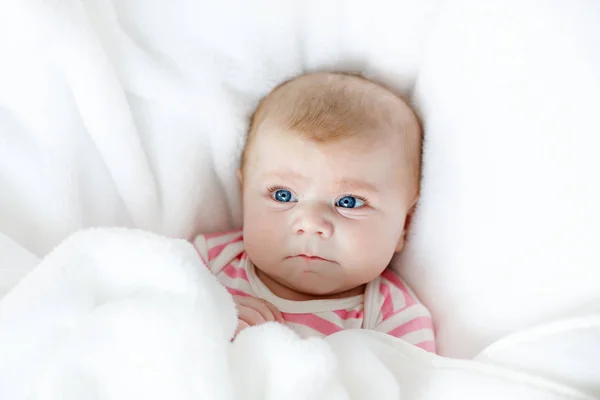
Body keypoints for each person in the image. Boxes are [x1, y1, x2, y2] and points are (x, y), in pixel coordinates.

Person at [193, 72, 435, 352]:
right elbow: (149, 311)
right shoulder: (209, 261)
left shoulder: (394, 316)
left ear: (404, 224)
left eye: (349, 203)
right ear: (244, 194)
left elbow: (415, 384)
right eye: (283, 195)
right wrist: (213, 318)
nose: (310, 223)